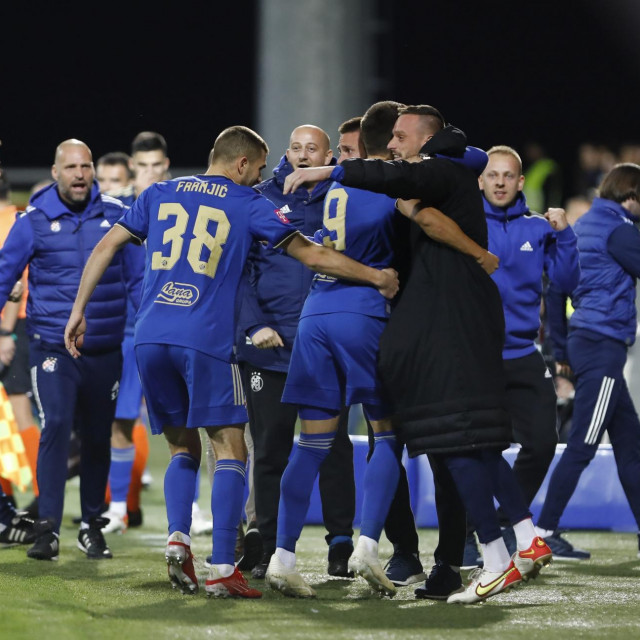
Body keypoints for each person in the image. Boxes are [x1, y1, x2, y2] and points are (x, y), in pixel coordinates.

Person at [64, 125, 398, 598]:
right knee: (232, 449)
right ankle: (223, 566)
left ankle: (178, 539)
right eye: (259, 168)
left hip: (150, 337)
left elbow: (105, 247)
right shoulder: (246, 203)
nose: (261, 176)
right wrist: (376, 276)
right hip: (204, 339)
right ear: (242, 164)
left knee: (183, 446)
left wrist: (77, 312)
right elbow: (313, 254)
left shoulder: (159, 193)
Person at [285, 105, 553, 604]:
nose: (393, 146)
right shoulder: (447, 168)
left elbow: (410, 190)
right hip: (446, 320)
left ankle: (499, 547)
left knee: (455, 436)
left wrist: (330, 170)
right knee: (464, 438)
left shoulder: (435, 169)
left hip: (452, 321)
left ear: (425, 141)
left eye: (401, 137)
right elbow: (426, 202)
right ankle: (510, 544)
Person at [0, 139, 143, 561]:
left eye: (86, 166)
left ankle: (90, 527)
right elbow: (4, 274)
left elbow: (137, 282)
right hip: (53, 350)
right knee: (57, 424)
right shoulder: (34, 220)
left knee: (98, 437)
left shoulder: (118, 216)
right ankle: (46, 529)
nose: (80, 174)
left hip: (105, 349)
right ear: (56, 171)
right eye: (72, 167)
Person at [236, 124, 357, 579]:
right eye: (296, 148)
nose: (304, 155)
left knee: (333, 447)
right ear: (286, 152)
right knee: (269, 450)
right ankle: (264, 545)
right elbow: (240, 273)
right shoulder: (260, 199)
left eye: (314, 149)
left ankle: (339, 544)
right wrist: (254, 325)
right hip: (270, 347)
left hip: (326, 347)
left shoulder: (344, 196)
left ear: (328, 155)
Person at [458, 145, 580, 565]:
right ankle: (469, 537)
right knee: (472, 448)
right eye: (492, 175)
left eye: (508, 176)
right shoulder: (463, 225)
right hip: (475, 355)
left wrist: (565, 234)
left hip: (523, 353)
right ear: (480, 180)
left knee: (543, 442)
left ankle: (500, 523)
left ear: (521, 182)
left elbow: (564, 281)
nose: (500, 182)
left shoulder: (540, 228)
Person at [536, 163, 640, 560]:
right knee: (583, 442)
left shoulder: (581, 229)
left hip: (586, 342)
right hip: (603, 345)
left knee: (631, 446)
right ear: (631, 196)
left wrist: (561, 352)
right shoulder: (621, 230)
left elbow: (556, 295)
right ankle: (543, 532)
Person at [95, 149, 149, 534]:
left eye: (115, 181)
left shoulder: (140, 214)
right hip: (113, 332)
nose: (107, 188)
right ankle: (119, 507)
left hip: (142, 331)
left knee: (179, 423)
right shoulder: (96, 216)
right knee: (117, 422)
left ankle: (194, 510)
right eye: (104, 180)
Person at [0, 171, 40, 516]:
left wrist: (5, 334)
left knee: (17, 412)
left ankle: (42, 492)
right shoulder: (18, 216)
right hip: (15, 327)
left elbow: (14, 281)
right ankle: (10, 500)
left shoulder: (11, 221)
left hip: (13, 327)